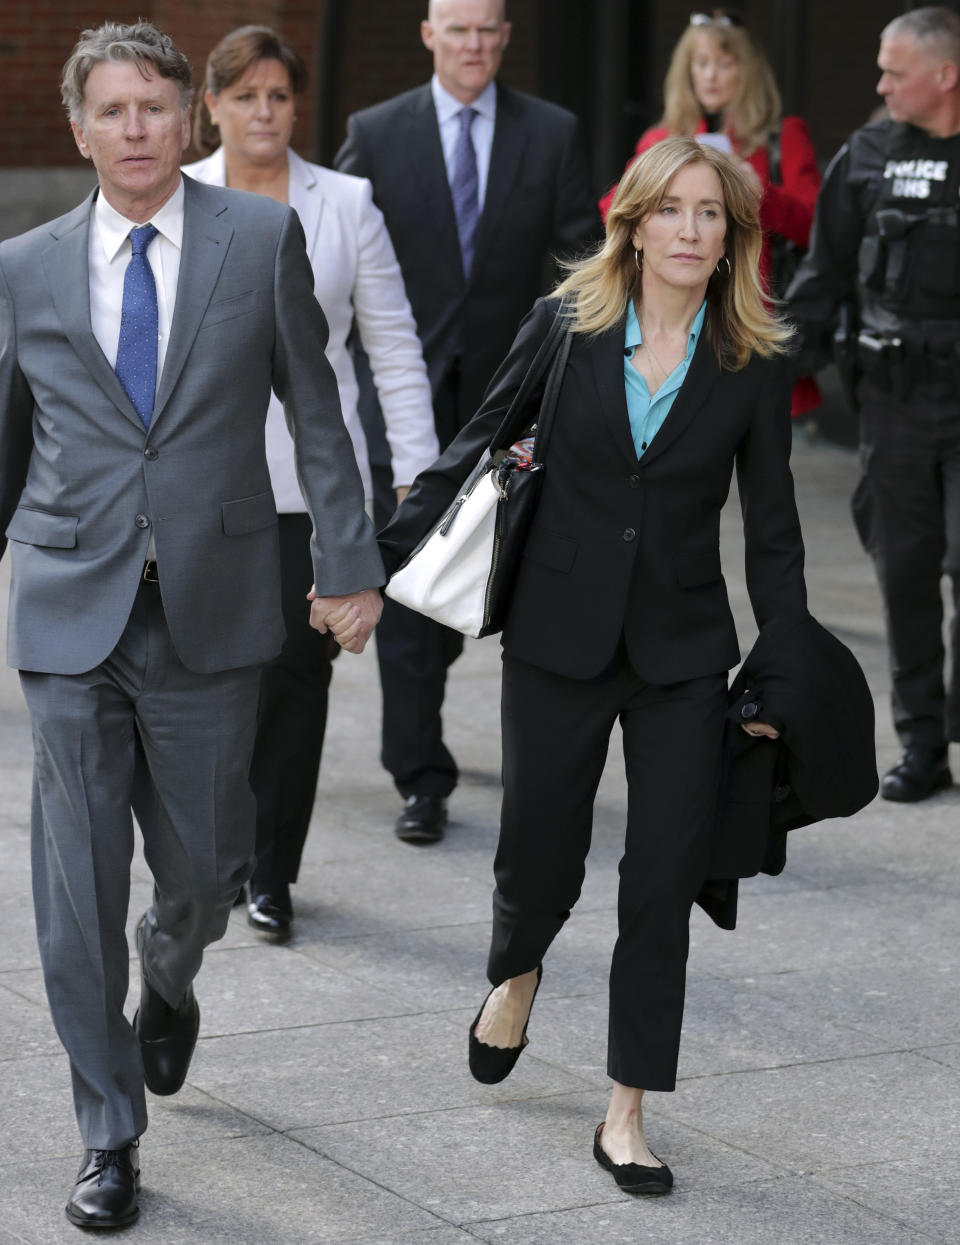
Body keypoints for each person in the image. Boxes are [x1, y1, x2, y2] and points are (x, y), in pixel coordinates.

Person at [0, 21, 383, 1229]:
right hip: (70, 611)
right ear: (80, 129)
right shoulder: (26, 265)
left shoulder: (262, 237)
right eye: (111, 111)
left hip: (217, 609)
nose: (134, 131)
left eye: (154, 108)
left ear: (189, 118)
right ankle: (108, 1133)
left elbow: (317, 413)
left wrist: (346, 561)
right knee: (72, 891)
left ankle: (170, 977)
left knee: (212, 871)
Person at [379, 136, 806, 1192]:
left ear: (732, 237)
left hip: (681, 655)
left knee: (661, 878)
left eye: (713, 215)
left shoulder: (751, 364)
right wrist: (372, 567)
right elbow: (476, 444)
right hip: (559, 637)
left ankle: (627, 1112)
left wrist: (779, 672)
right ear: (636, 222)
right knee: (538, 856)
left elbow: (776, 538)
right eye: (675, 211)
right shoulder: (567, 328)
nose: (693, 231)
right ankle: (516, 972)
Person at [183, 26, 438, 941]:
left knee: (296, 681)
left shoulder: (346, 203)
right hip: (198, 487)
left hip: (309, 489)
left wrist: (413, 474)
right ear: (210, 106)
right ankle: (210, 853)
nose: (264, 112)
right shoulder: (177, 198)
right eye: (244, 95)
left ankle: (271, 874)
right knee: (211, 681)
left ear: (298, 107)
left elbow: (393, 347)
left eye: (279, 97)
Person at [335, 0, 600, 845]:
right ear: (428, 36)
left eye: (488, 29)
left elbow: (580, 263)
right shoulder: (374, 134)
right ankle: (420, 775)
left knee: (516, 572)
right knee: (408, 577)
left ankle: (533, 747)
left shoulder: (552, 131)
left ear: (506, 37)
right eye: (458, 29)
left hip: (517, 392)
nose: (474, 45)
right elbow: (341, 259)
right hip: (406, 393)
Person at [786, 6, 960, 803]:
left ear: (946, 74)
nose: (880, 83)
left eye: (894, 70)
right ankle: (923, 742)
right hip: (892, 405)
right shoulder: (866, 156)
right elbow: (819, 284)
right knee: (907, 577)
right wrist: (765, 384)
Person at [601, 8, 821, 417]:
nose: (711, 75)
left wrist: (761, 194)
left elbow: (817, 225)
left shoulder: (780, 137)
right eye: (700, 64)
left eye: (725, 63)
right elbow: (615, 210)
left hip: (751, 314)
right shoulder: (661, 138)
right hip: (671, 318)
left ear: (747, 69)